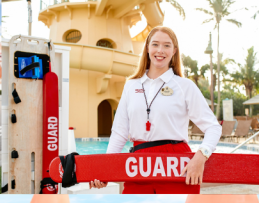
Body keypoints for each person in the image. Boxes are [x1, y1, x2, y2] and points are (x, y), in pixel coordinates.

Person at [89, 26, 222, 194]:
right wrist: (105, 170)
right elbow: (119, 132)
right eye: (155, 44)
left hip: (176, 165)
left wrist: (200, 157)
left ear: (174, 51)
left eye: (167, 45)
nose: (160, 50)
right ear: (147, 48)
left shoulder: (184, 86)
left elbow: (213, 127)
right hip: (138, 164)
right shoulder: (131, 85)